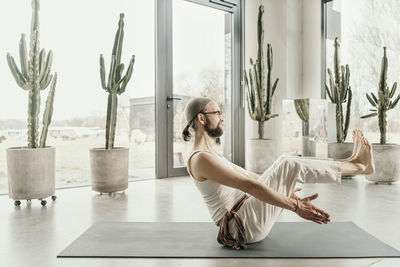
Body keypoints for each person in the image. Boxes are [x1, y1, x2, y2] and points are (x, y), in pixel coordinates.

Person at [182, 97, 375, 250]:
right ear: (201, 118)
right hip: (240, 228)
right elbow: (249, 186)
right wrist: (296, 206)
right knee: (288, 164)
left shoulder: (210, 154)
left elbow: (252, 177)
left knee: (284, 161)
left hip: (246, 215)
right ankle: (359, 167)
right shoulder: (201, 159)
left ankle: (352, 163)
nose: (221, 118)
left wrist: (284, 191)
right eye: (217, 113)